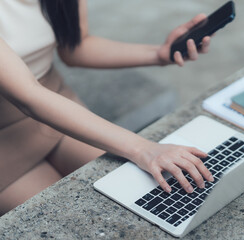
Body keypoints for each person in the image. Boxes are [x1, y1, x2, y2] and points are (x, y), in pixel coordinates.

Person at [0, 0, 215, 215]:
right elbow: (29, 96)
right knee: (73, 219)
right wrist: (142, 148)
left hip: (58, 108)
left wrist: (158, 53)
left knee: (138, 199)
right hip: (8, 137)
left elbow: (76, 47)